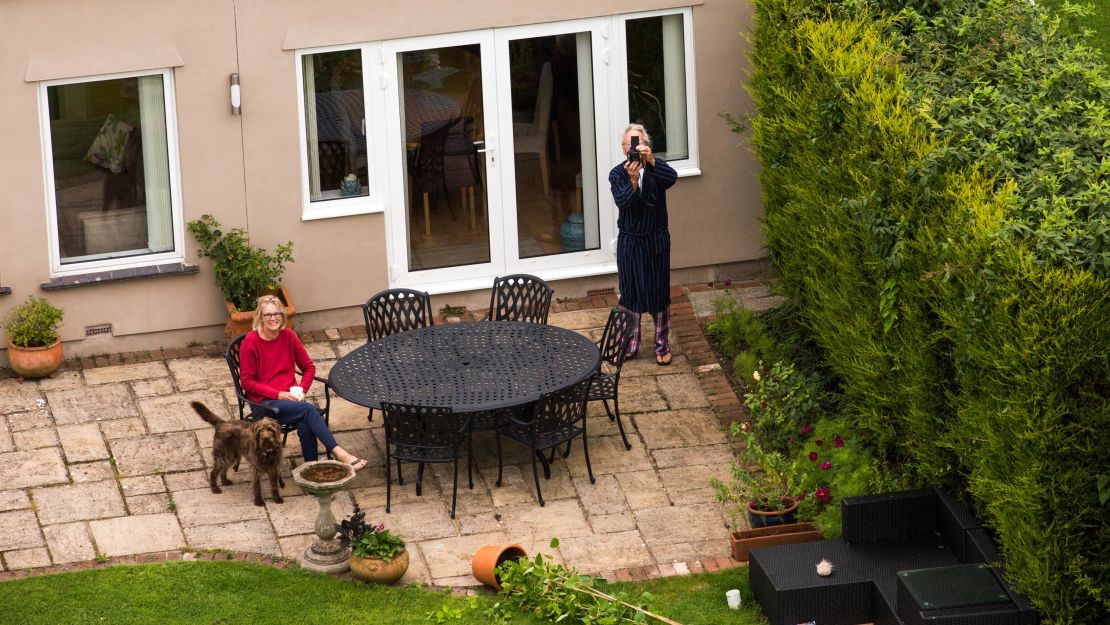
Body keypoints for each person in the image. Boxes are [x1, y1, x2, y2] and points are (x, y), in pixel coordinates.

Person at [239, 294, 367, 470]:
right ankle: (338, 451)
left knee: (305, 422)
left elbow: (308, 367)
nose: (273, 318)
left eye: (277, 314)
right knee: (309, 410)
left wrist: (301, 390)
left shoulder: (288, 336)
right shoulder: (250, 342)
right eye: (268, 315)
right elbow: (247, 382)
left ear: (282, 316)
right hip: (264, 403)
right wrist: (279, 394)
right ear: (260, 317)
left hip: (291, 400)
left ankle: (310, 469)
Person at [608, 123, 678, 365]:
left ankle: (661, 345)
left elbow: (672, 179)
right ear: (623, 148)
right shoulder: (617, 174)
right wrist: (633, 181)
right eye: (631, 144)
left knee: (658, 292)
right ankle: (631, 343)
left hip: (656, 240)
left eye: (639, 143)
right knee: (630, 293)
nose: (635, 148)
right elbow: (623, 202)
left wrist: (653, 163)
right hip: (630, 242)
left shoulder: (657, 168)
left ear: (647, 146)